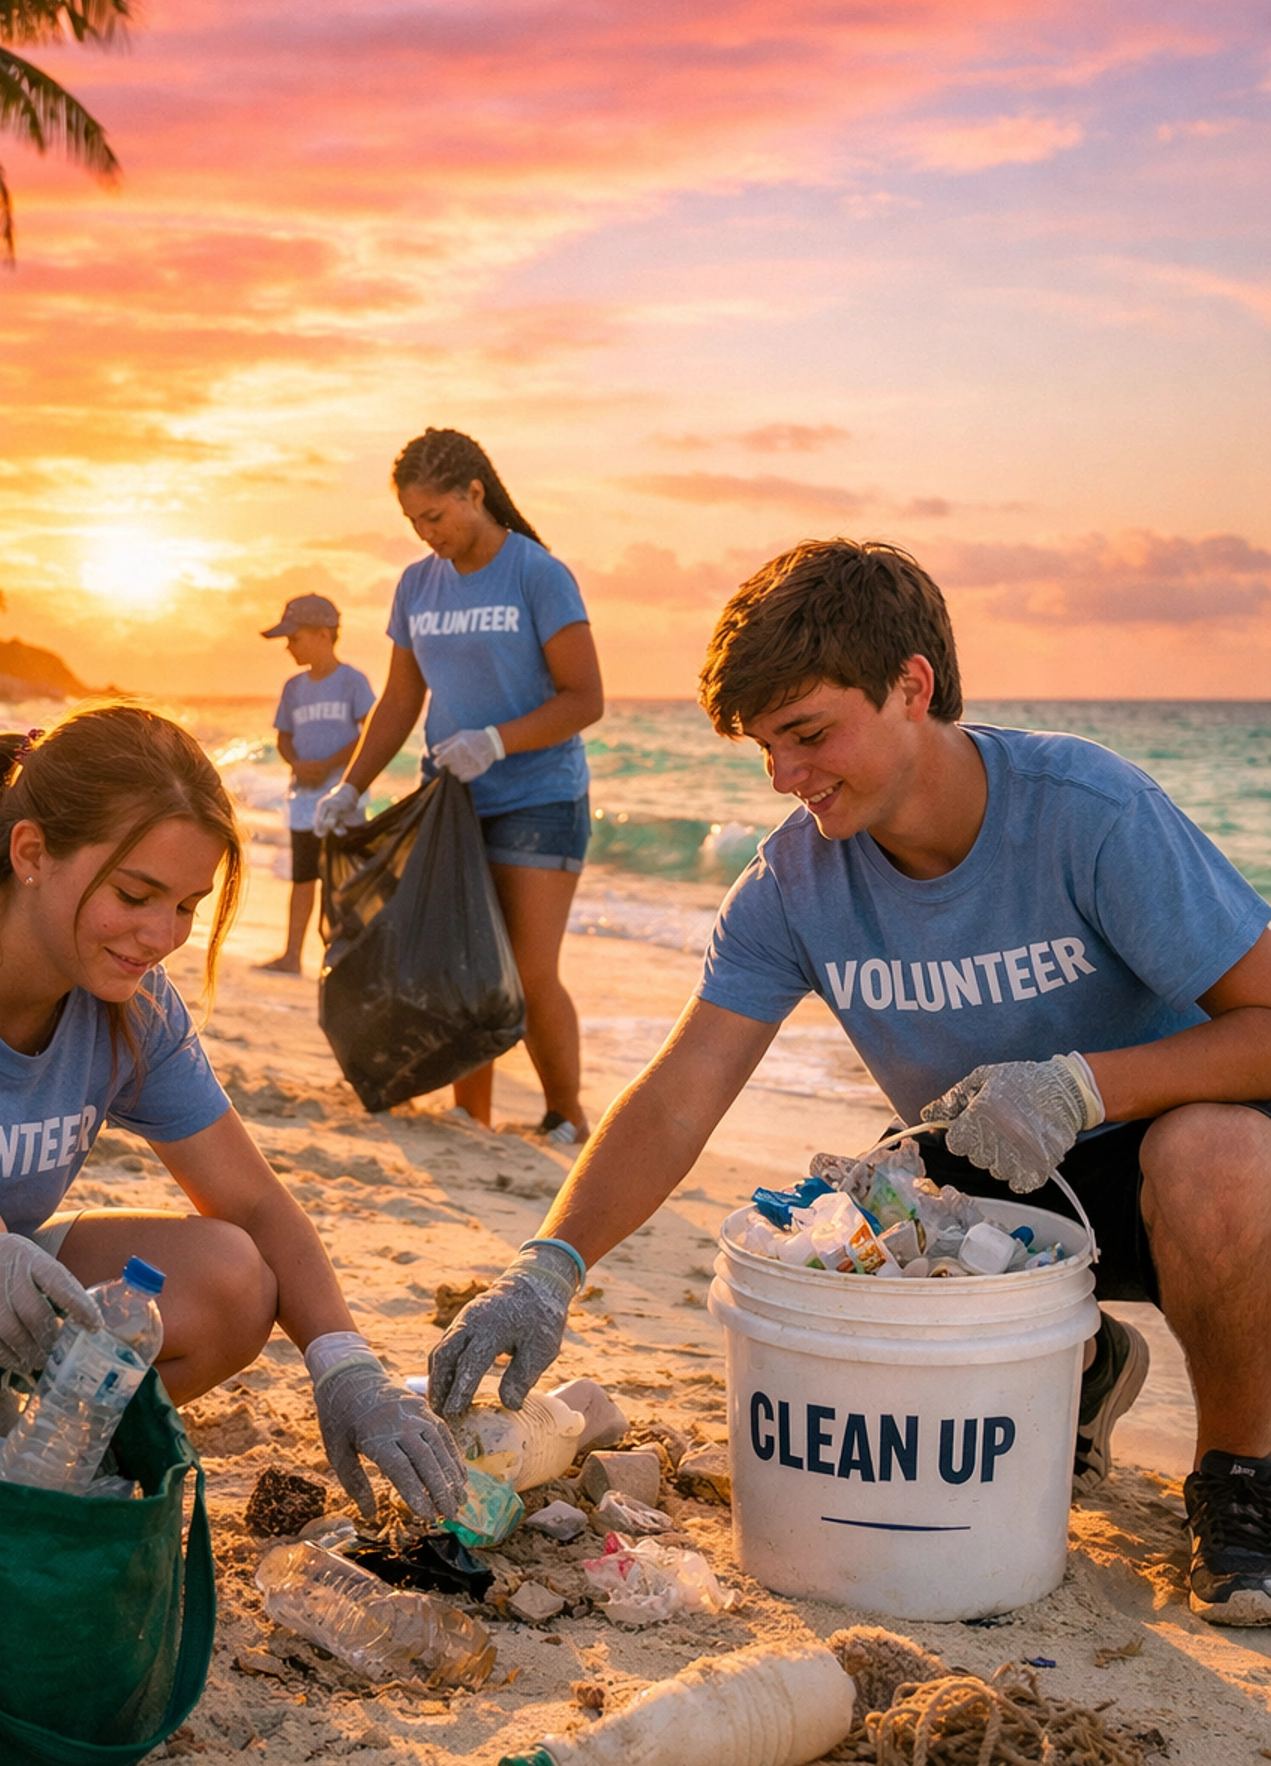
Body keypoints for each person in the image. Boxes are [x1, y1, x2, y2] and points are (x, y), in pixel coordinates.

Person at [428, 540, 1271, 1626]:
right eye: (765, 747)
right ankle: (1078, 1359)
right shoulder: (793, 883)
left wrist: (1084, 1085)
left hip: (1195, 1167)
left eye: (810, 735)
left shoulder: (1088, 812)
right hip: (989, 1178)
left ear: (912, 686)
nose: (786, 776)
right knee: (852, 1209)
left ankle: (1242, 1484)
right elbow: (684, 1092)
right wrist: (548, 1268)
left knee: (1217, 1154)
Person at [0, 702, 464, 1523]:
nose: (161, 934)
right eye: (136, 893)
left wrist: (344, 1367)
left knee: (230, 1282)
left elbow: (254, 1203)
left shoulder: (128, 1003)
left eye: (188, 905)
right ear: (33, 852)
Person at [316, 428, 604, 1143]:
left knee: (530, 970)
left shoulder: (538, 574)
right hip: (451, 799)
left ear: (474, 494)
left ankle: (565, 1114)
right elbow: (400, 700)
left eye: (434, 517)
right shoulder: (417, 584)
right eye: (412, 522)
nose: (425, 534)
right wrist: (351, 788)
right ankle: (469, 1116)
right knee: (462, 963)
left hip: (539, 796)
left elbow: (585, 698)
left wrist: (497, 740)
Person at [257, 594, 375, 976]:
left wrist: (328, 764)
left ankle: (341, 961)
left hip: (343, 801)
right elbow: (283, 737)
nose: (289, 647)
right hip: (304, 800)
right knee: (303, 876)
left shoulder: (352, 681)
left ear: (324, 635)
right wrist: (296, 763)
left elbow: (369, 734)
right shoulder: (294, 688)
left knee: (340, 881)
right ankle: (292, 955)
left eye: (295, 638)